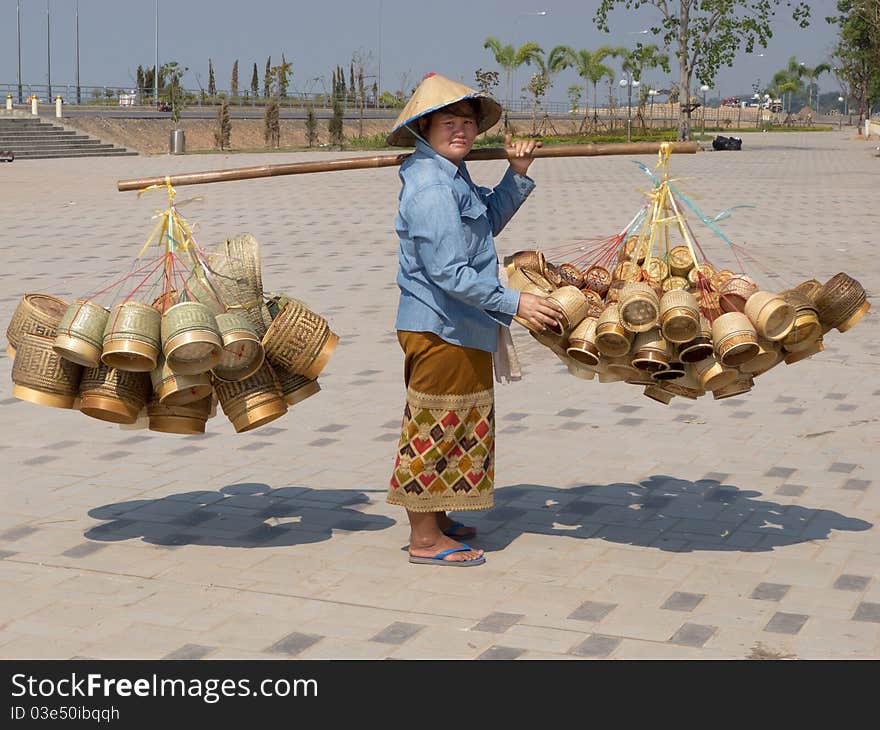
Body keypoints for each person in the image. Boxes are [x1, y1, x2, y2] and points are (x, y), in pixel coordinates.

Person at [385, 73, 563, 566]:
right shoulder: (429, 187)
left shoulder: (451, 174)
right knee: (434, 425)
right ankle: (424, 539)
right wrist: (515, 303)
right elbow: (449, 273)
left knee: (459, 419)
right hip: (440, 323)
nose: (461, 130)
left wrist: (518, 172)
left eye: (467, 121)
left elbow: (484, 225)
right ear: (425, 127)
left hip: (460, 324)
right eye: (449, 122)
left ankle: (437, 517)